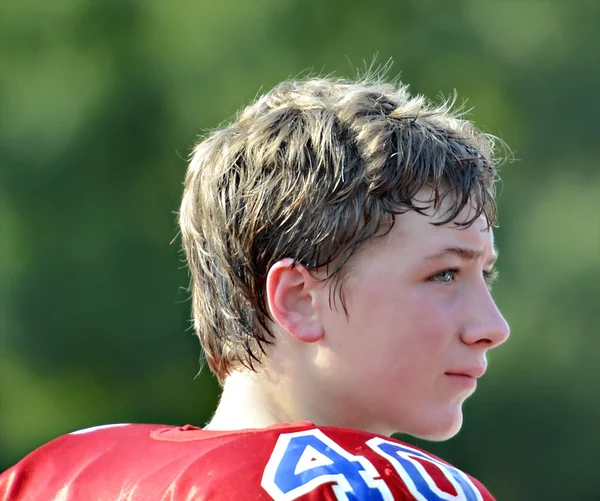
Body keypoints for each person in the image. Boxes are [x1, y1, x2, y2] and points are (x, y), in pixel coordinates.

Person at [0, 74, 510, 500]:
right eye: (443, 274)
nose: (493, 327)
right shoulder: (377, 487)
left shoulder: (50, 479)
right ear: (299, 298)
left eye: (482, 275)